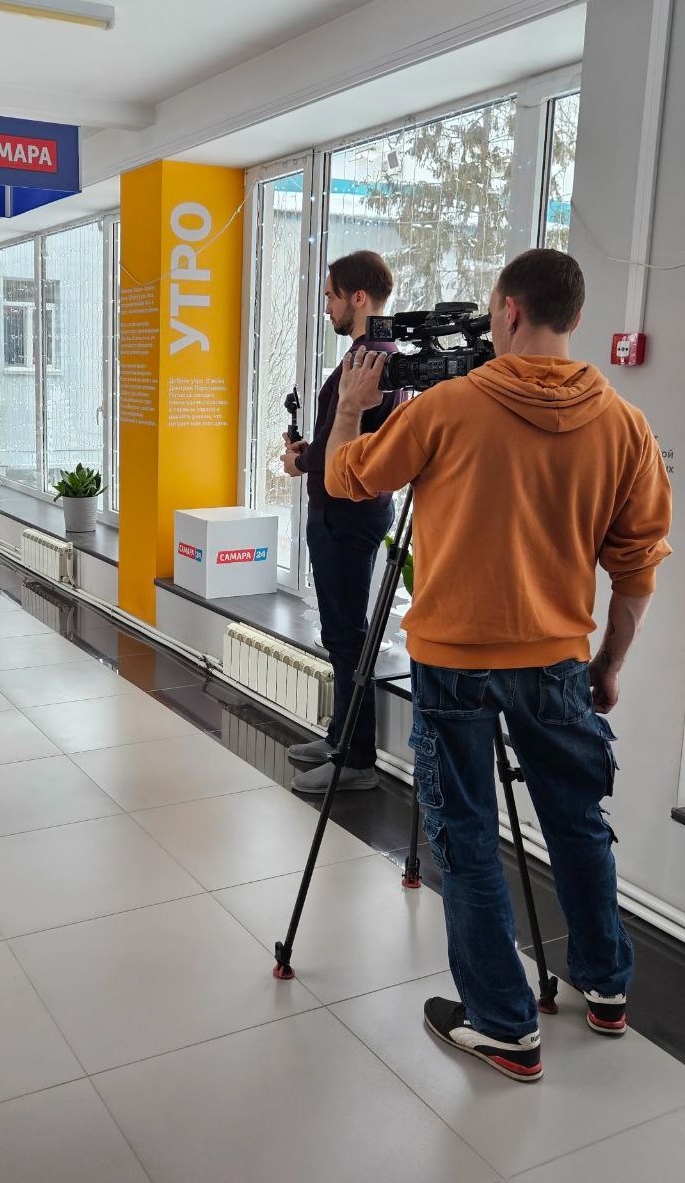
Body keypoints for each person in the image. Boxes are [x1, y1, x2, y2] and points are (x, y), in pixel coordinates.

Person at [325, 248, 671, 1082]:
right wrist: (609, 664)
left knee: (468, 836)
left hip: (453, 663)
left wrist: (353, 409)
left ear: (508, 310)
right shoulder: (625, 425)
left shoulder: (449, 408)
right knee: (578, 824)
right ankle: (607, 986)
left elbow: (346, 479)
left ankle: (504, 1025)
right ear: (574, 317)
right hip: (559, 661)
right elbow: (637, 567)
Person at [282, 250, 402, 793]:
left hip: (348, 515)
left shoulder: (371, 359)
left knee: (349, 636)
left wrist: (300, 461)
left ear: (358, 297)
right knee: (339, 632)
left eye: (331, 296)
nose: (327, 307)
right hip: (345, 511)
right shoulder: (370, 353)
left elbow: (347, 446)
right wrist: (311, 453)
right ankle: (340, 737)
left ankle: (356, 760)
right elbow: (342, 434)